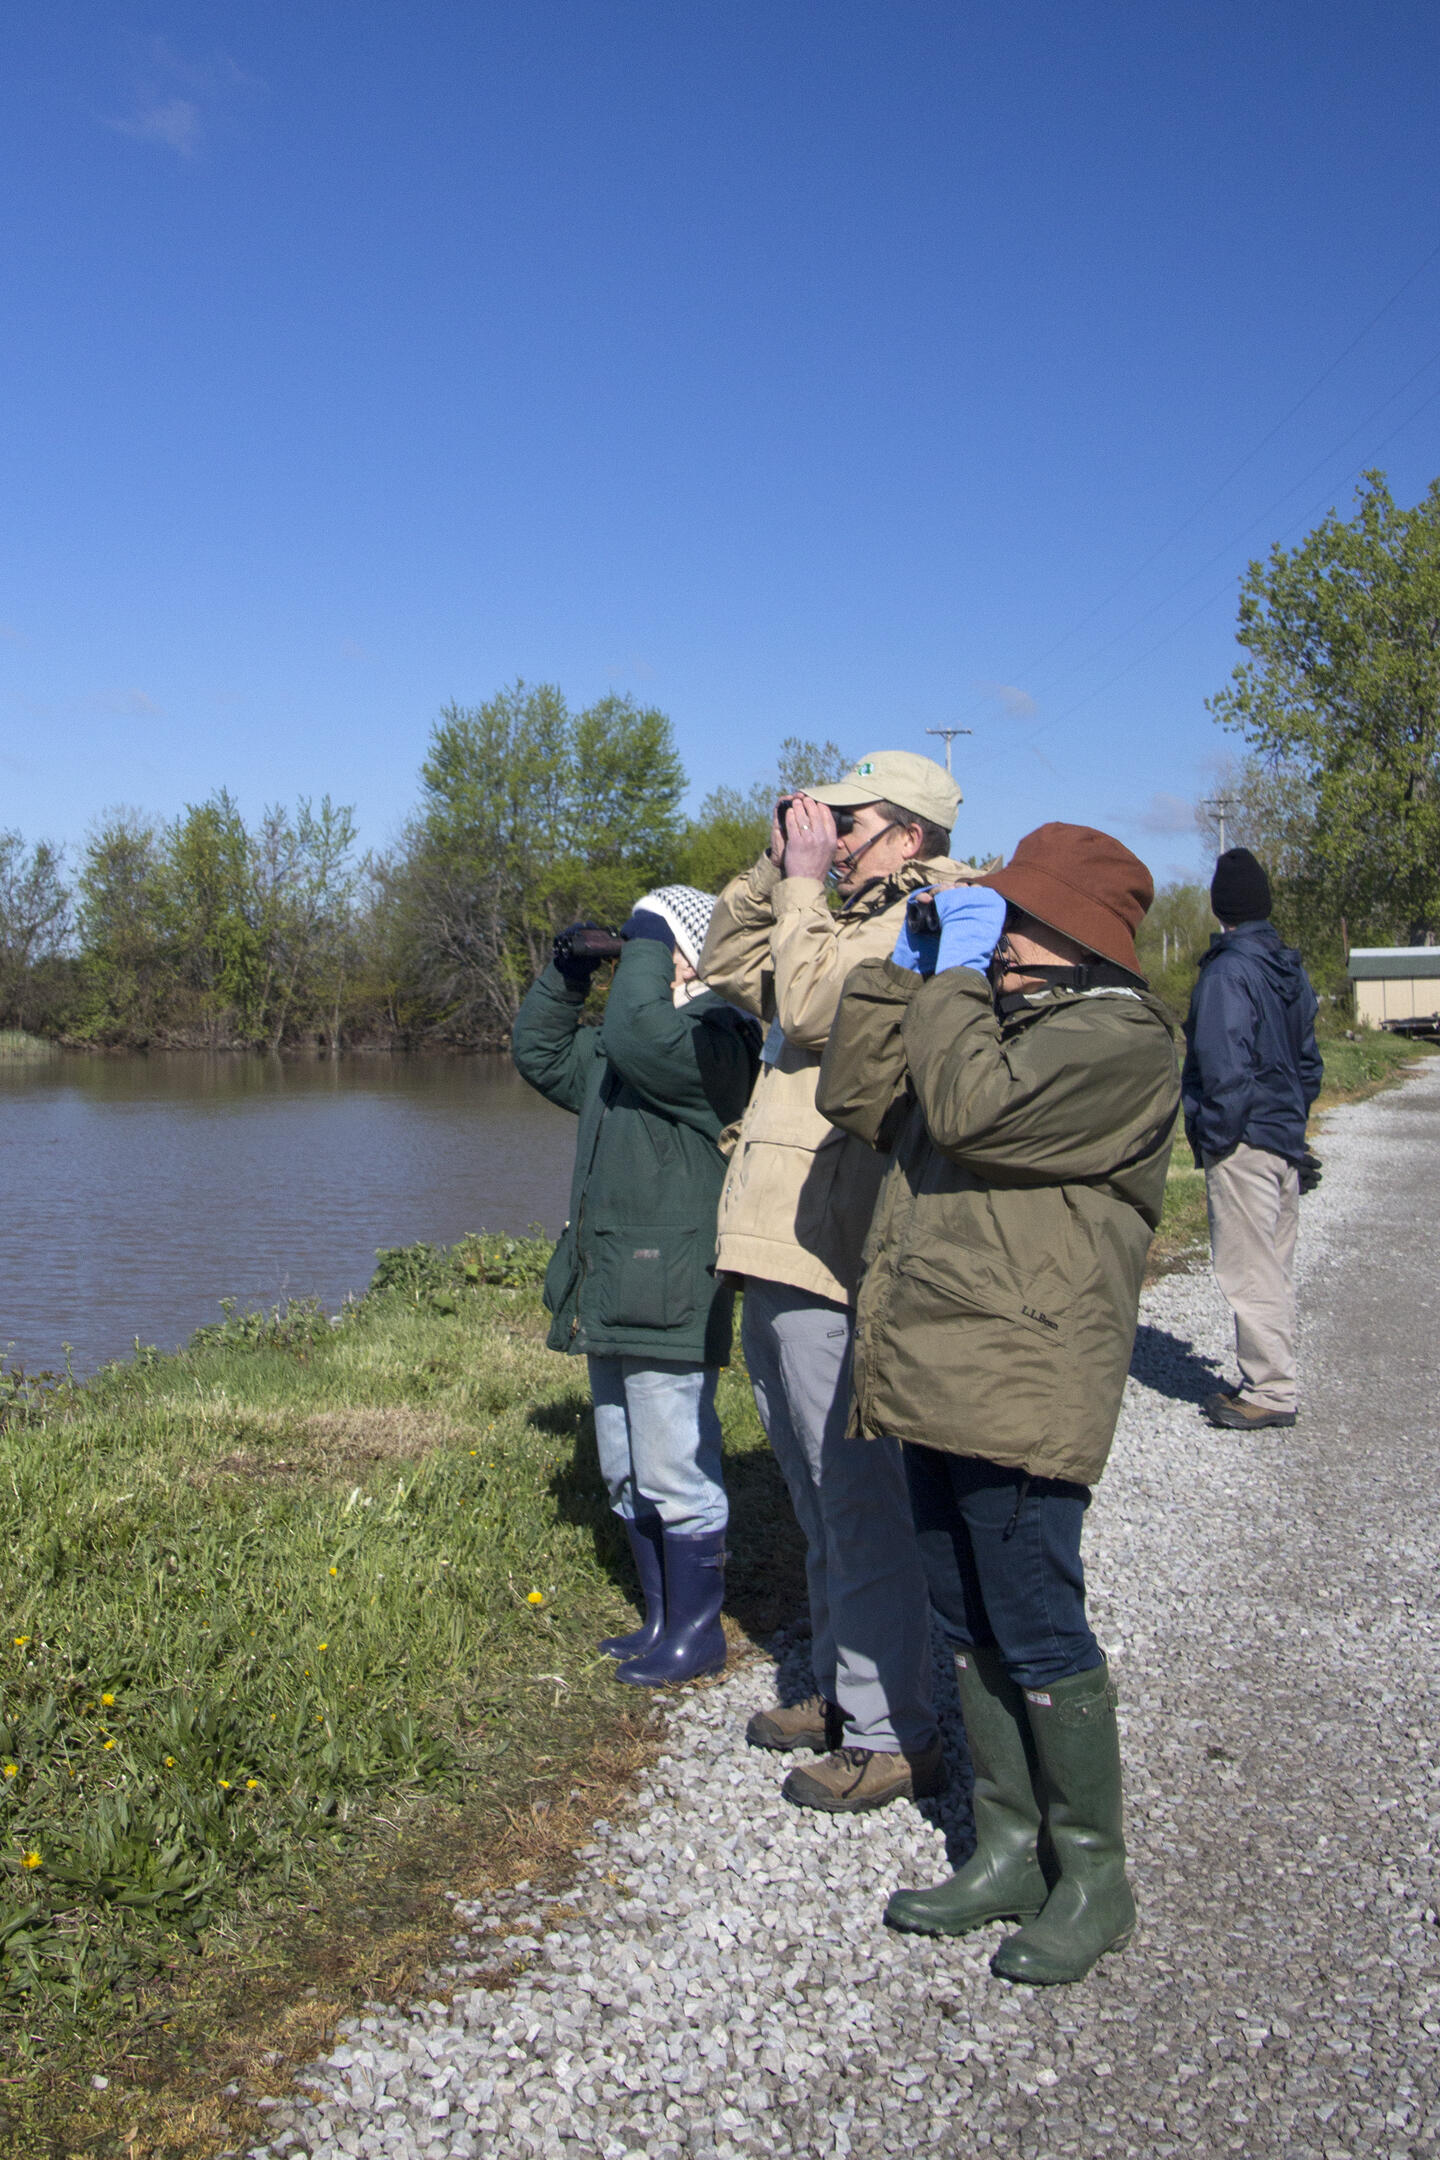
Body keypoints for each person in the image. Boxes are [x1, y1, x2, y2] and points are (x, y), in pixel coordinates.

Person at [816, 823, 1180, 1984]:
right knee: (967, 1621)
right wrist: (909, 965)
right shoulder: (989, 1014)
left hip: (1022, 1382)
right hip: (931, 1366)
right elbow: (857, 1094)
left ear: (1072, 939)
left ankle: (1095, 1876)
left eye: (1011, 919)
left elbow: (969, 1110)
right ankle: (1008, 1849)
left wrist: (962, 985)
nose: (998, 934)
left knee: (1034, 1624)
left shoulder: (1121, 1041)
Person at [700, 750, 981, 1813]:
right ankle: (840, 1687)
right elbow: (737, 967)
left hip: (836, 1248)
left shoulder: (928, 919)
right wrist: (771, 869)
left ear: (909, 835)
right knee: (819, 1499)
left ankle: (893, 1730)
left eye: (849, 822)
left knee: (858, 1499)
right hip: (779, 1237)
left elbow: (813, 1004)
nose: (831, 834)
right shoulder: (828, 907)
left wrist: (808, 888)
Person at [512, 885, 760, 1687]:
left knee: (674, 1471)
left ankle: (699, 1634)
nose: (637, 957)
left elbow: (644, 1033)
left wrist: (651, 934)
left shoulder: (721, 1042)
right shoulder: (631, 1047)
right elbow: (542, 1055)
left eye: (651, 944)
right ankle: (660, 1621)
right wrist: (566, 973)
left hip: (671, 1291)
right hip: (613, 1288)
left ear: (688, 952)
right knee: (626, 1469)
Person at [1181, 847, 1323, 1432]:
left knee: (1250, 1271)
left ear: (1220, 908)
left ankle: (1269, 1390)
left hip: (1245, 1141)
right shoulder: (1289, 968)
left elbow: (1224, 1066)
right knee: (1273, 1267)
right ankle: (1269, 1379)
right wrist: (1292, 1124)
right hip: (1283, 1138)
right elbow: (1309, 1064)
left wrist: (1216, 1136)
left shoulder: (1227, 972)